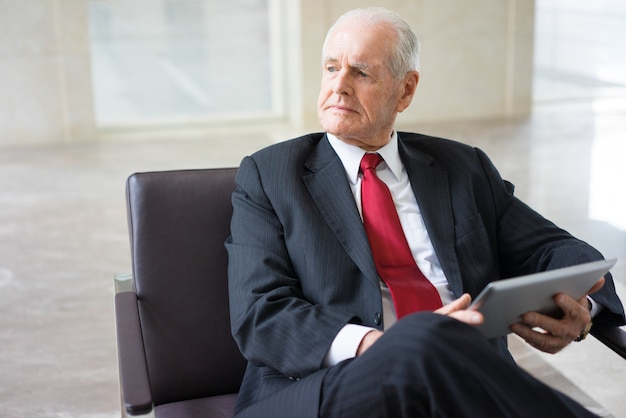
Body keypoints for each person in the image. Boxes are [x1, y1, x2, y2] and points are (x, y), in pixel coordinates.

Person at [226, 7, 625, 418]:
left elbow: (558, 250)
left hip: (458, 382)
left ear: (406, 90)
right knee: (425, 338)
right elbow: (260, 314)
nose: (339, 87)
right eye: (331, 68)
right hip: (325, 389)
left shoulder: (463, 169)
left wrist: (580, 306)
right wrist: (386, 346)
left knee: (438, 347)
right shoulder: (270, 175)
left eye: (361, 72)